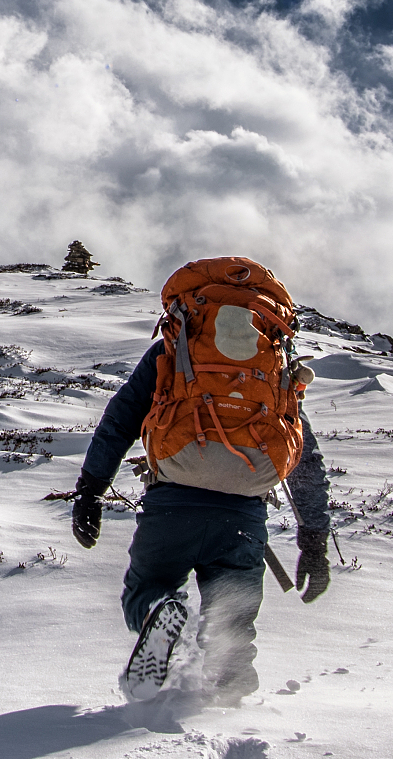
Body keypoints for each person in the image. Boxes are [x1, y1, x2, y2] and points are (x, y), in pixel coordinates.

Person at [68, 257, 333, 703]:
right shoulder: (272, 363)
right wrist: (314, 539)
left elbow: (120, 420)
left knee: (147, 589)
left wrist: (91, 490)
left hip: (173, 504)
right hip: (244, 512)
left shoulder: (172, 351)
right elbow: (305, 457)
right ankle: (233, 698)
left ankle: (160, 610)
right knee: (232, 620)